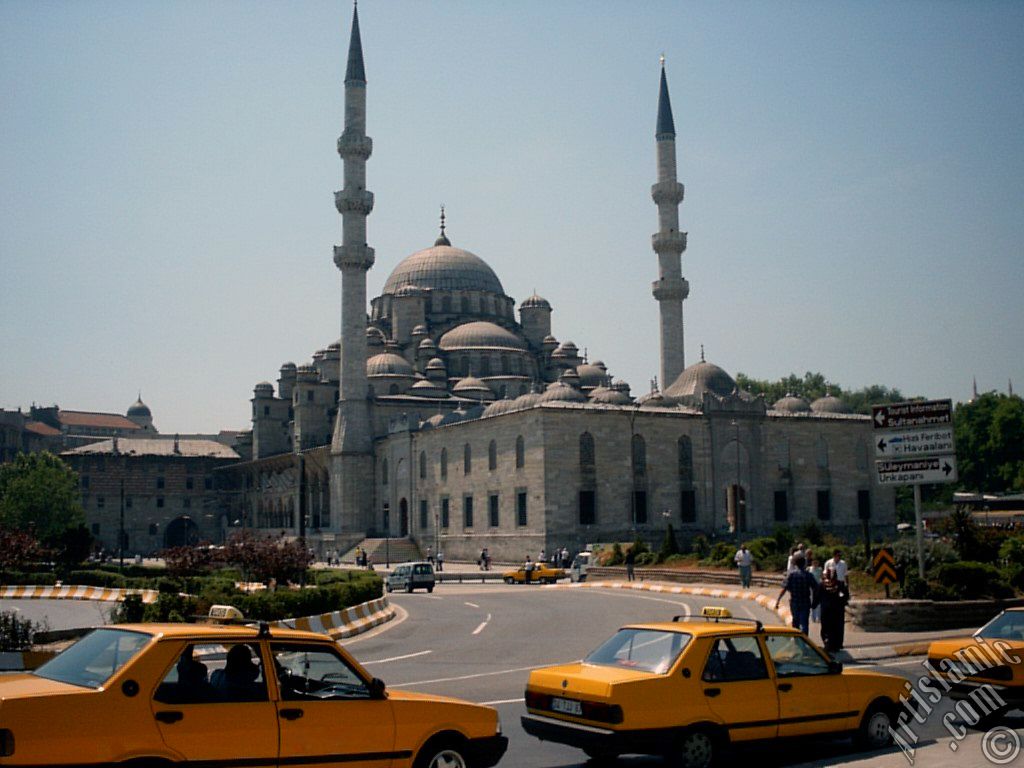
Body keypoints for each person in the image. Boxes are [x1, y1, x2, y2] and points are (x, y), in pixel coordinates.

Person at [775, 555, 816, 635]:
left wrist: (778, 600)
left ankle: (797, 640)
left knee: (795, 621)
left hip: (794, 602)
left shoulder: (791, 575)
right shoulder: (808, 575)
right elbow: (816, 588)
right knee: (804, 623)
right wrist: (815, 601)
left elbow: (784, 589)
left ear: (795, 564)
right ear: (804, 563)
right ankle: (805, 641)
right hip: (805, 602)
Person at [818, 567, 849, 653]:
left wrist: (814, 605)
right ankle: (836, 644)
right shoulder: (840, 584)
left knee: (826, 628)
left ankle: (828, 642)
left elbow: (817, 596)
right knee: (837, 628)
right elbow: (845, 596)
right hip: (837, 611)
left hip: (827, 611)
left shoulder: (822, 584)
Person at [808, 557, 823, 623]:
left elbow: (822, 577)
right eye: (814, 562)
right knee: (812, 602)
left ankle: (818, 617)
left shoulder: (820, 569)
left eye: (816, 562)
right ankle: (813, 617)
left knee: (819, 603)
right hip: (811, 587)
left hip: (818, 587)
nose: (815, 564)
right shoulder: (809, 569)